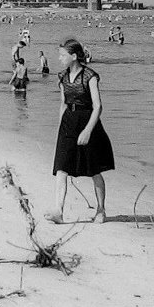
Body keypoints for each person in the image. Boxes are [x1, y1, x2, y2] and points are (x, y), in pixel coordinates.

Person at [45, 38, 114, 225]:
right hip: (68, 123)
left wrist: (88, 131)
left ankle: (101, 210)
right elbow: (63, 104)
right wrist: (60, 129)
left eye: (62, 55)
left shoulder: (90, 76)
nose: (59, 58)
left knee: (94, 170)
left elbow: (98, 106)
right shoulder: (62, 77)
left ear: (74, 56)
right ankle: (58, 211)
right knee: (61, 169)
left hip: (88, 122)